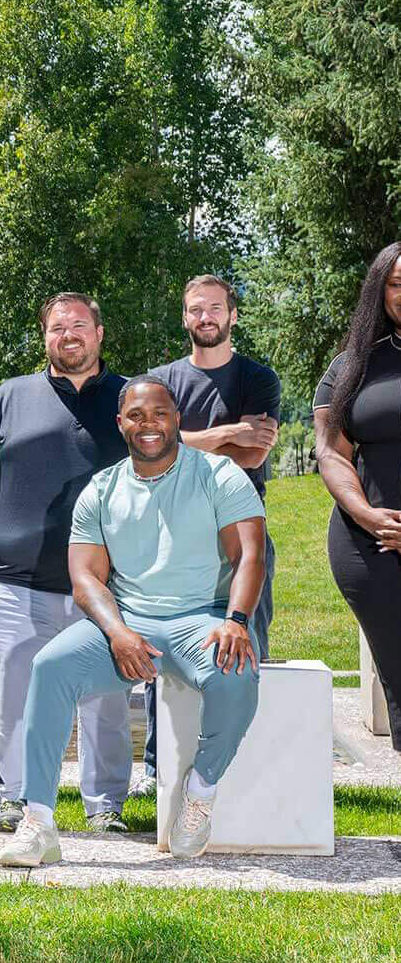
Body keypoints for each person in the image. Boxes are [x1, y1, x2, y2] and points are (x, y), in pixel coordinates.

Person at [0, 379, 264, 867]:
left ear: (177, 418)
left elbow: (249, 553)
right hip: (130, 621)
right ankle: (38, 821)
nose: (148, 425)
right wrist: (118, 632)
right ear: (120, 423)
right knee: (49, 666)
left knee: (237, 672)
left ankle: (200, 792)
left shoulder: (218, 473)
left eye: (159, 414)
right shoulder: (101, 489)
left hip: (200, 619)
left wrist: (236, 620)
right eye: (136, 416)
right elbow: (85, 579)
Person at [0, 293, 133, 834]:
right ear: (45, 337)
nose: (69, 335)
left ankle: (105, 806)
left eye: (79, 325)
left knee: (106, 700)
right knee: (12, 698)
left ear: (100, 332)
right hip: (16, 585)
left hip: (107, 589)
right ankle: (16, 796)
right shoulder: (10, 398)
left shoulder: (131, 400)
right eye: (58, 327)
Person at [140, 274, 281, 792]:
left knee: (245, 641)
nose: (206, 317)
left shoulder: (257, 378)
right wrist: (228, 433)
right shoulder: (162, 380)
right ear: (185, 317)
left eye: (215, 308)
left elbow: (257, 454)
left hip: (241, 535)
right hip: (171, 533)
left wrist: (182, 442)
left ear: (232, 315)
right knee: (163, 647)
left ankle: (241, 766)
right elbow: (152, 447)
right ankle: (157, 767)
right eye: (196, 309)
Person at [314, 241, 401, 751]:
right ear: (380, 291)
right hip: (370, 547)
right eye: (396, 283)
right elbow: (330, 452)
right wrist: (369, 516)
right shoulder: (352, 366)